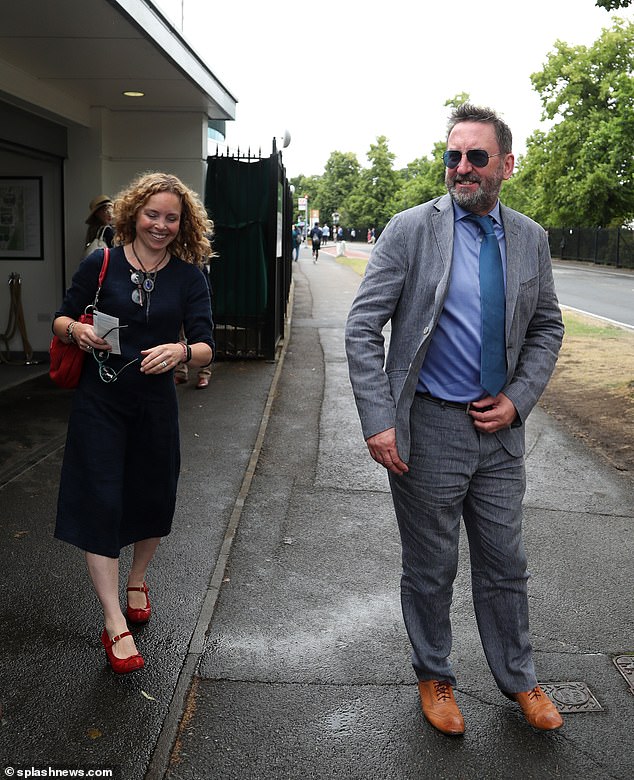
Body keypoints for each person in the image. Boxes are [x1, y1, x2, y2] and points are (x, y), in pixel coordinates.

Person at [345, 104, 565, 736]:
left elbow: (547, 326)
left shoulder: (530, 238)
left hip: (499, 432)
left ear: (506, 164)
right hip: (430, 427)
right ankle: (434, 675)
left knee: (505, 561)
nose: (461, 168)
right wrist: (379, 418)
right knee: (431, 564)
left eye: (475, 156)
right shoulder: (412, 229)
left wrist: (519, 398)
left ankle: (519, 679)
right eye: (452, 156)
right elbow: (364, 327)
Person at [52, 172, 214, 674]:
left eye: (171, 217)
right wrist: (78, 330)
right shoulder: (100, 262)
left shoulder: (190, 276)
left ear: (182, 223)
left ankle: (138, 577)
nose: (161, 225)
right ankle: (113, 620)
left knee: (151, 495)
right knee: (100, 500)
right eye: (152, 215)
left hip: (155, 405)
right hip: (100, 402)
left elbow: (209, 345)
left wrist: (182, 350)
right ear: (132, 214)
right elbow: (61, 318)